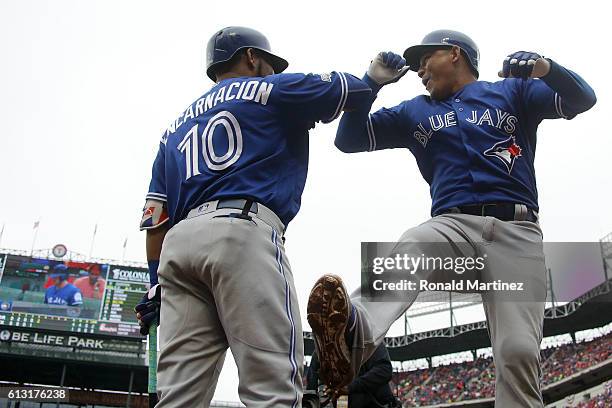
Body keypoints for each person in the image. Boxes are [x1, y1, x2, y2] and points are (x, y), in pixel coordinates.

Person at [307, 30, 596, 407]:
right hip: (453, 229)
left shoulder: (512, 91)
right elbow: (349, 139)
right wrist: (370, 84)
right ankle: (349, 337)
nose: (420, 68)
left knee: (520, 351)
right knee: (415, 243)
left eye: (427, 57)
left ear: (456, 53)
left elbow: (583, 98)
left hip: (516, 233)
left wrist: (546, 68)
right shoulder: (415, 109)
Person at [134, 26, 372, 407]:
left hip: (177, 251)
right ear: (250, 56)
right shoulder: (271, 89)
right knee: (273, 383)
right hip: (241, 232)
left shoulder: (173, 129)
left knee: (178, 396)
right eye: (268, 63)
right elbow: (352, 90)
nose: (271, 70)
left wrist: (154, 286)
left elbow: (155, 222)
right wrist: (375, 75)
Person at [307, 342, 399, 408]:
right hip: (343, 402)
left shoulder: (369, 341)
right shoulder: (321, 350)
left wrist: (349, 387)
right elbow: (311, 387)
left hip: (376, 403)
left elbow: (384, 370)